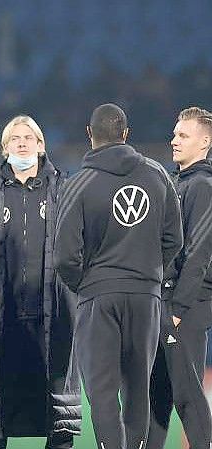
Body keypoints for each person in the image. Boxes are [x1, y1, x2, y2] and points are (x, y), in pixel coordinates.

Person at [54, 103, 183, 449]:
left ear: (89, 134)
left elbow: (65, 254)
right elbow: (175, 239)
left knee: (102, 388)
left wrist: (85, 283)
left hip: (99, 296)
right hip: (146, 296)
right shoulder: (157, 175)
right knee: (137, 384)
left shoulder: (79, 183)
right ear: (126, 134)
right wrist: (149, 275)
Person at [0, 115, 81, 449]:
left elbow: (78, 245)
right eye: (15, 138)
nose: (23, 143)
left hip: (52, 313)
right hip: (3, 317)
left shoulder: (63, 189)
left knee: (56, 411)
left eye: (29, 137)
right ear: (5, 149)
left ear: (41, 146)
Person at [148, 106, 212, 449]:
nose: (174, 140)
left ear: (204, 143)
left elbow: (199, 253)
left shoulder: (202, 186)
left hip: (185, 304)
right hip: (166, 300)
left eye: (183, 135)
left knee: (186, 394)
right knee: (157, 393)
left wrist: (178, 308)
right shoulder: (177, 182)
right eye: (174, 134)